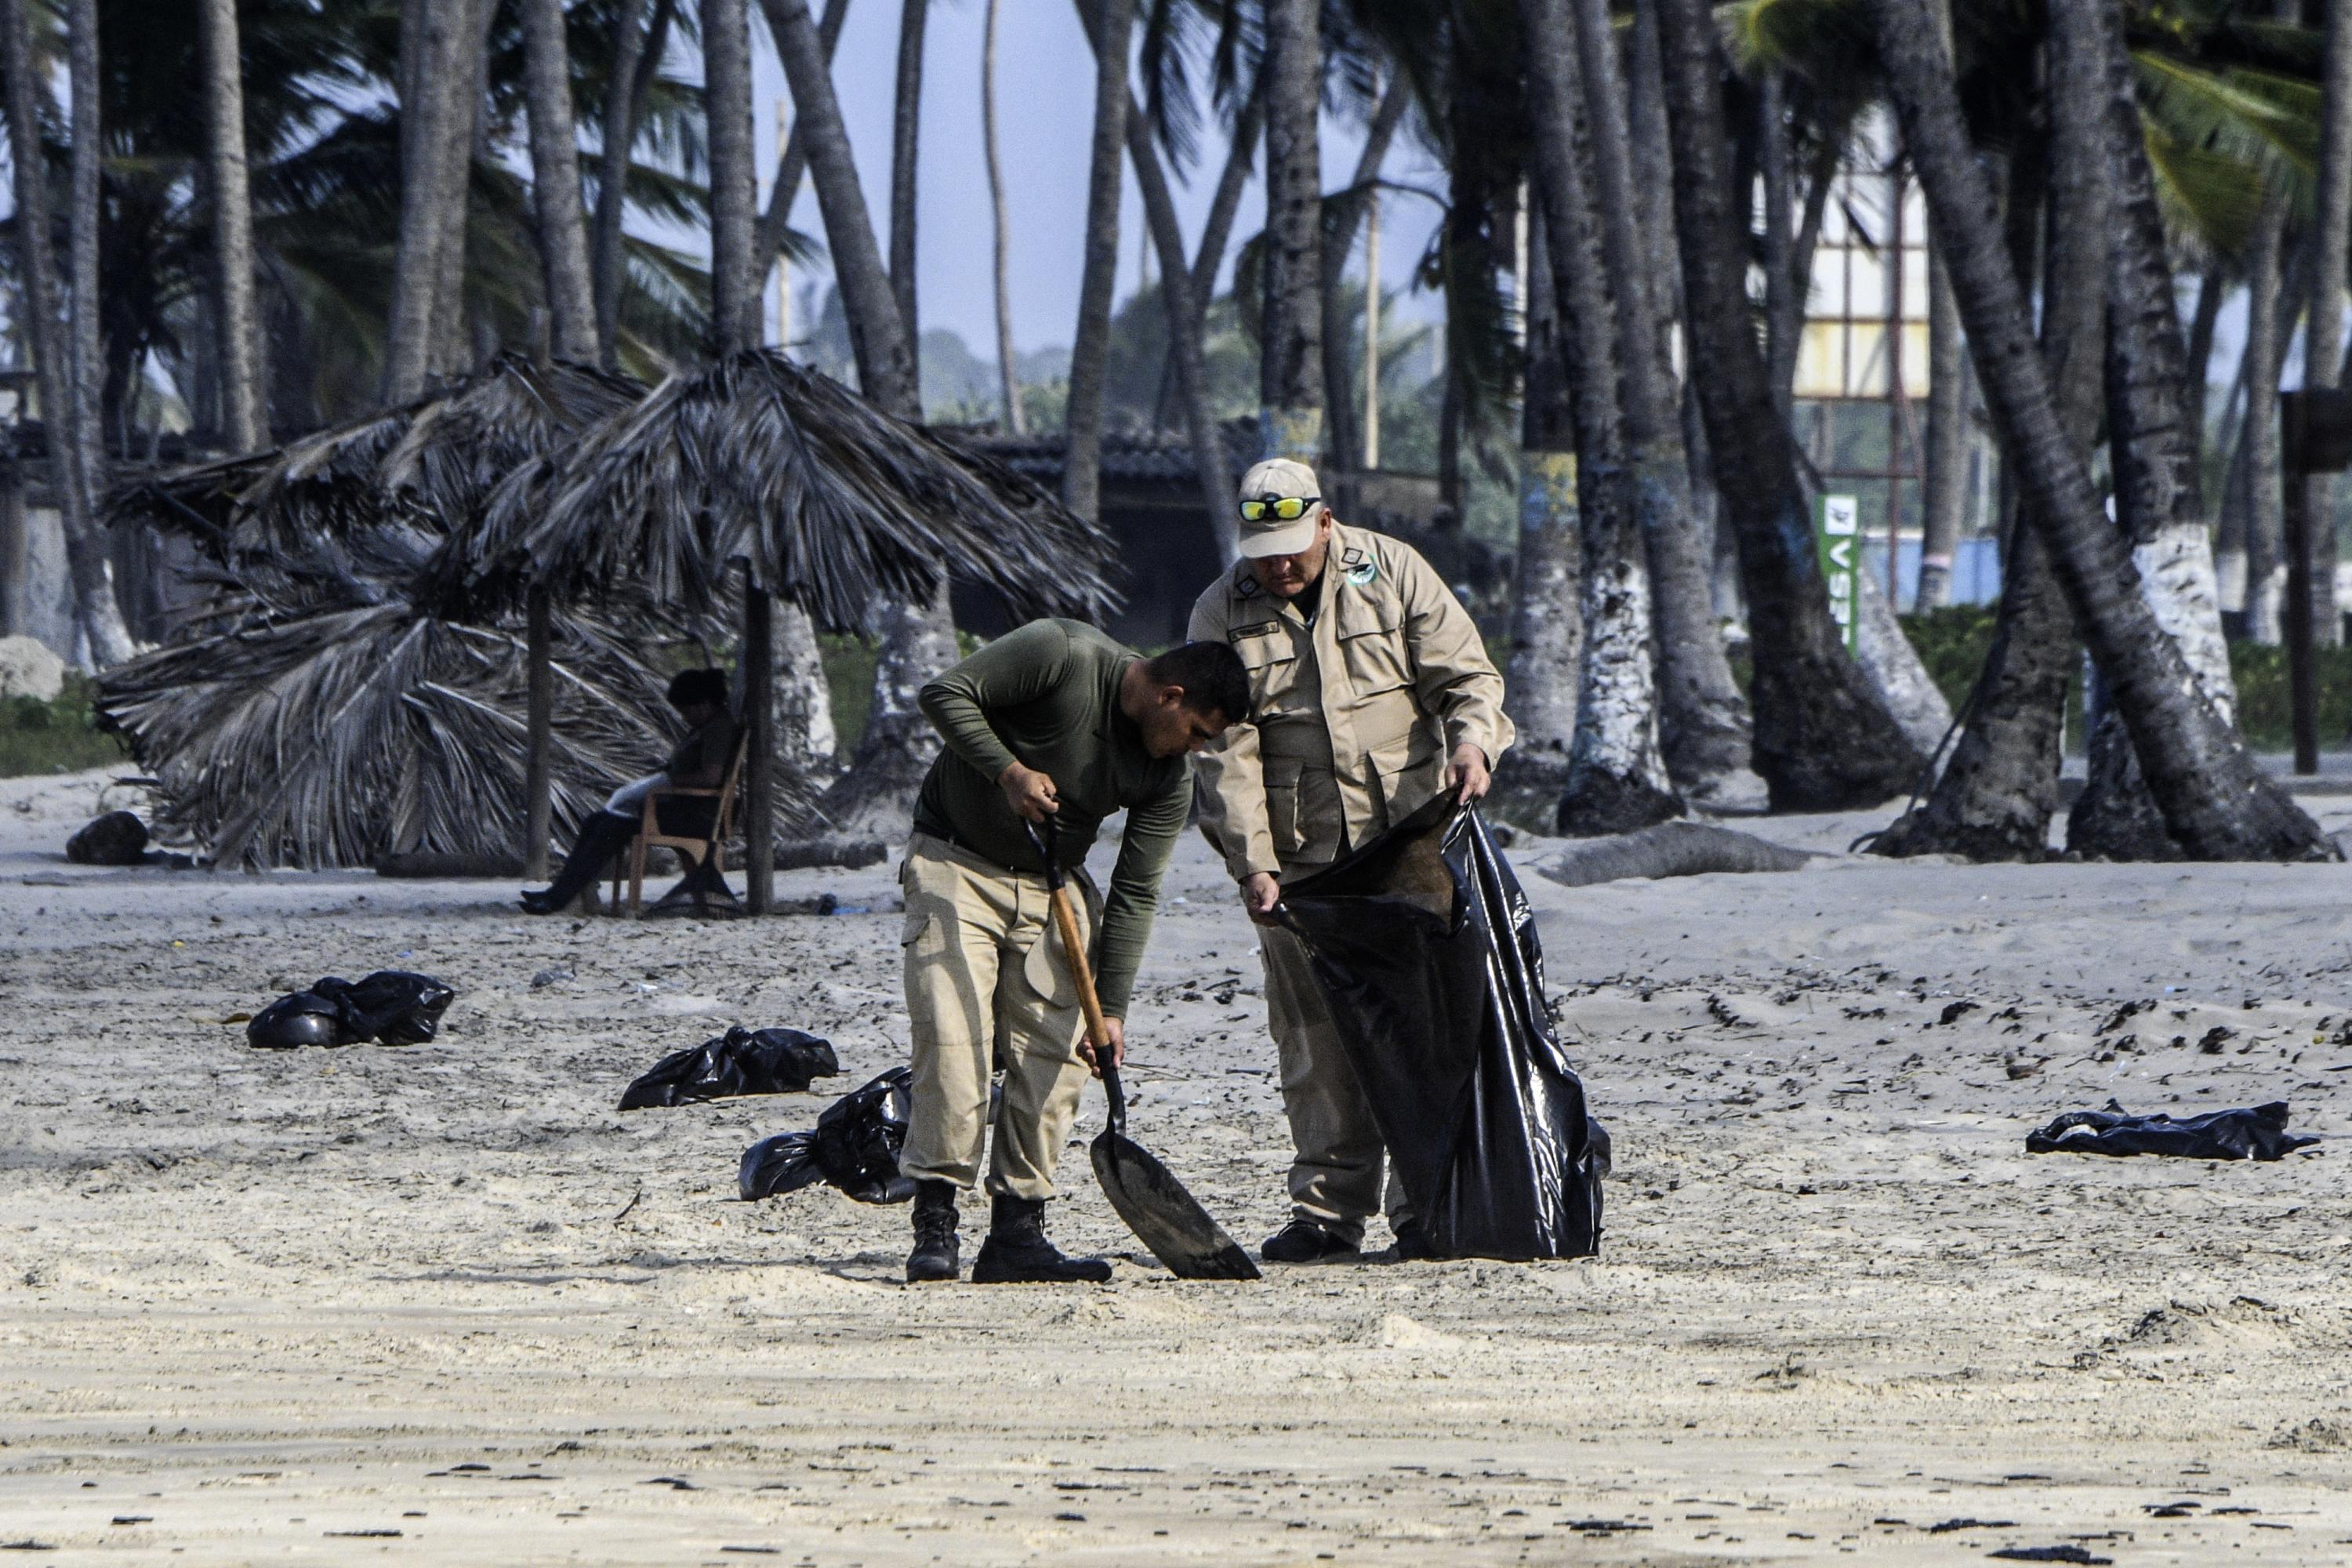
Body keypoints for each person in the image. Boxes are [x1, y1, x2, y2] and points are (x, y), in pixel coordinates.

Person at [1187, 458, 1515, 1265]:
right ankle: (1327, 1213)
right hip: (1298, 867)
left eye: (1295, 547)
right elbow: (1222, 752)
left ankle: (1424, 1208)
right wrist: (1251, 862)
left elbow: (1467, 678)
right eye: (1266, 550)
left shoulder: (1394, 570)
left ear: (1326, 523)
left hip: (1405, 849)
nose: (1281, 565)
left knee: (1419, 1028)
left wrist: (1473, 743)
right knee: (1314, 1039)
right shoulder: (1222, 608)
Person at [898, 621, 1248, 1285]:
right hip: (954, 863)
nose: (1196, 750)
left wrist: (1110, 1010)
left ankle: (1017, 1234)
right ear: (1169, 696)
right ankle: (936, 1221)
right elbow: (944, 694)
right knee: (954, 1044)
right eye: (1200, 733)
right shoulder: (1062, 654)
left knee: (1055, 1054)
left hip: (1052, 885)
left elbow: (1137, 890)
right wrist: (1008, 771)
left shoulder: (1167, 776)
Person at [521, 667, 741, 915]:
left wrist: (666, 784)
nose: (685, 718)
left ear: (703, 704)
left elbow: (712, 779)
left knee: (608, 827)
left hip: (697, 814)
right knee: (596, 821)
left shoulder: (718, 730)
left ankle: (558, 899)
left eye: (687, 711)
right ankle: (557, 894)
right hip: (681, 806)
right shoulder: (705, 728)